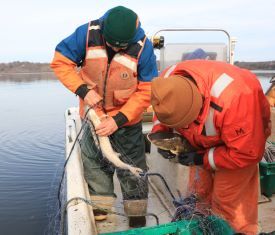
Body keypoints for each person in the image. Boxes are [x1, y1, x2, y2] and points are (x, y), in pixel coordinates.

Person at [51, 6, 157, 227]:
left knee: (132, 166)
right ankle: (100, 212)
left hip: (126, 119)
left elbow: (147, 89)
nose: (115, 48)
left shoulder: (144, 47)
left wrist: (118, 120)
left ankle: (136, 215)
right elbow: (61, 62)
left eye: (121, 46)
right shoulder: (87, 33)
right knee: (94, 163)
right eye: (111, 44)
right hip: (94, 115)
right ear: (105, 32)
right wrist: (82, 90)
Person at [150, 59, 271, 234]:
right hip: (201, 139)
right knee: (199, 195)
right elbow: (161, 113)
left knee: (229, 206)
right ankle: (202, 229)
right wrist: (162, 134)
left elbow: (246, 153)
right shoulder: (167, 82)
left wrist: (202, 158)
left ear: (197, 109)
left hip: (241, 145)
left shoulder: (237, 98)